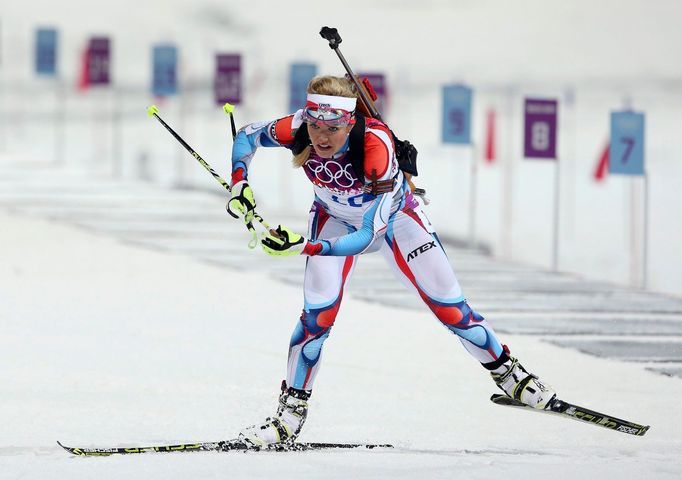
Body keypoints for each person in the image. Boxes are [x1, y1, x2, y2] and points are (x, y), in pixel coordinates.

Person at [227, 75, 556, 447]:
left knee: (451, 309)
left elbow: (369, 237)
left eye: (332, 128)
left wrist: (306, 246)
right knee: (316, 315)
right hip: (333, 216)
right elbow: (247, 137)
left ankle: (510, 376)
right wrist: (240, 183)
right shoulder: (298, 127)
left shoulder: (375, 145)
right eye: (316, 125)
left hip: (393, 220)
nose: (320, 137)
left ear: (349, 121)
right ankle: (289, 416)